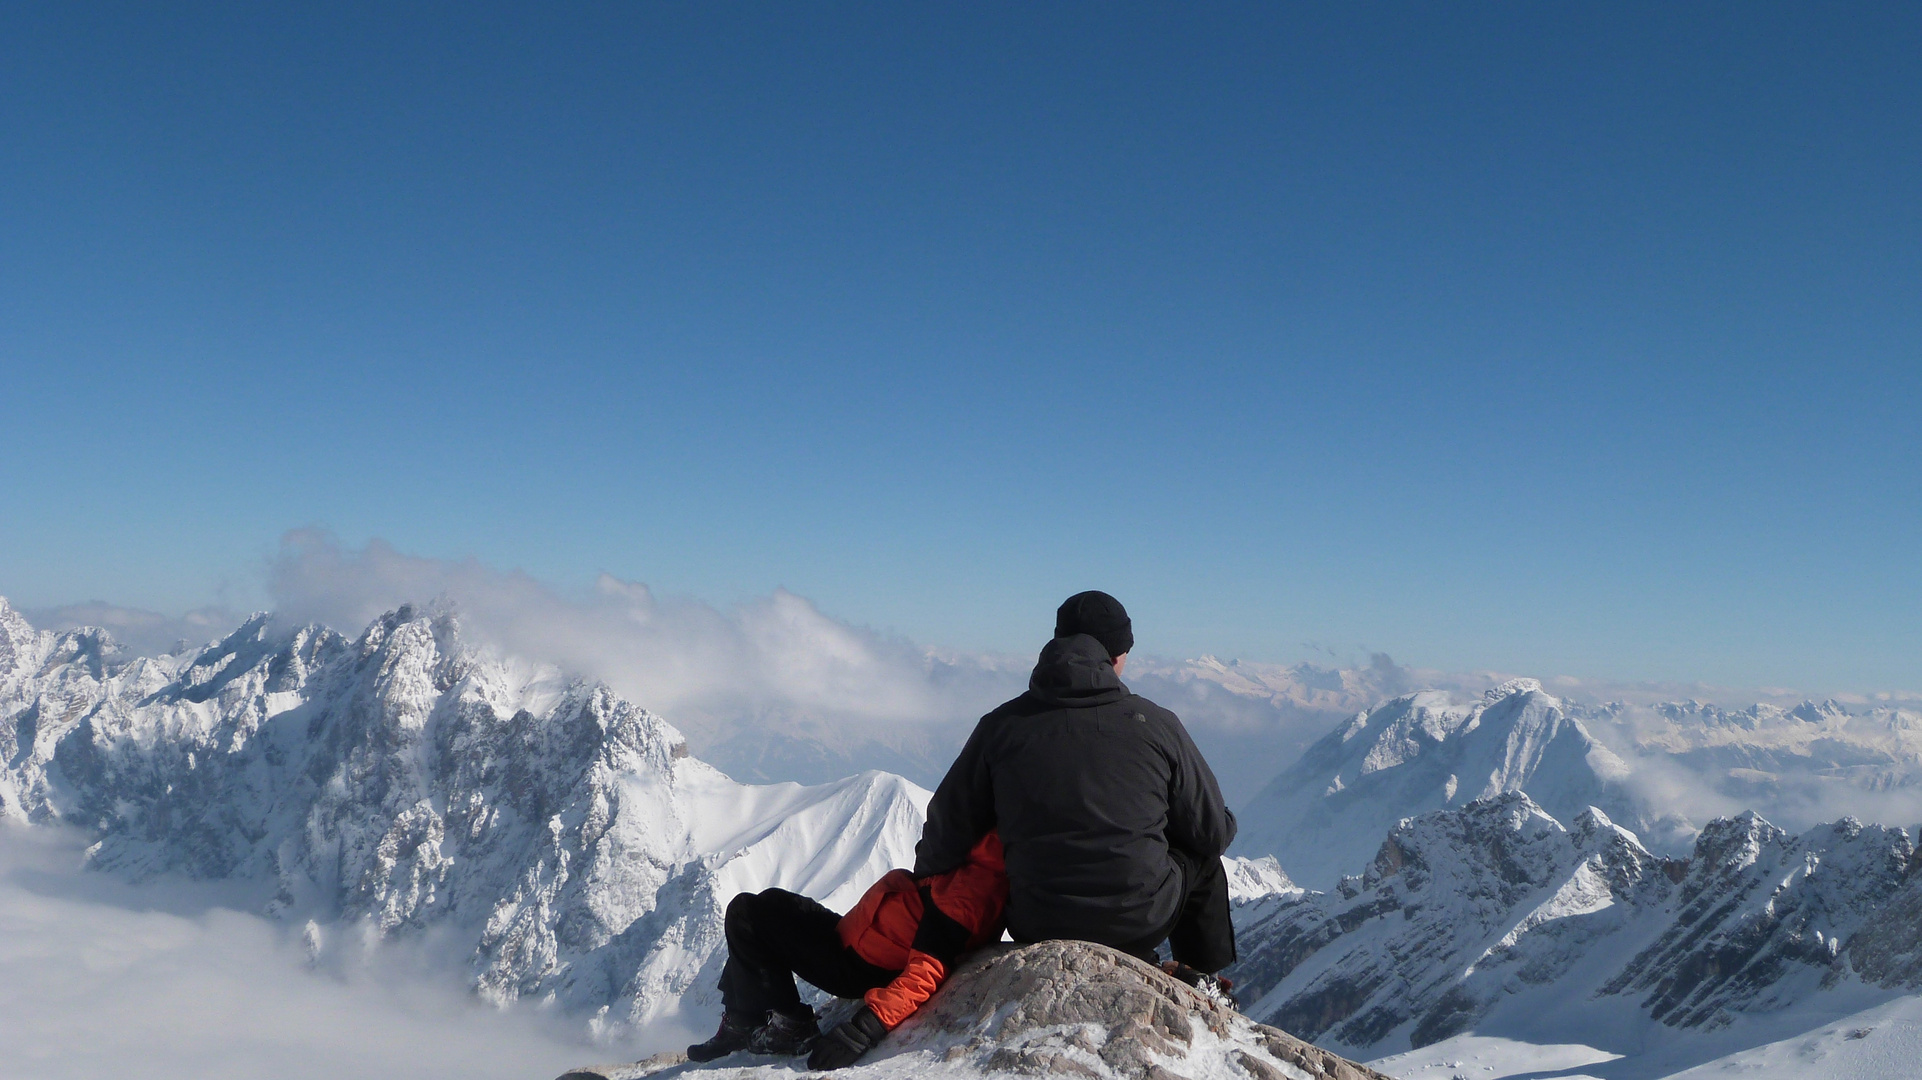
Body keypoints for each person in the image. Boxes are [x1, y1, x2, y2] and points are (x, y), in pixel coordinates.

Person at [912, 591, 1238, 995]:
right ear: (1118, 655)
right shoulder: (1156, 724)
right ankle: (1203, 981)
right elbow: (1211, 835)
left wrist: (923, 887)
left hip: (1036, 920)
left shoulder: (1001, 726)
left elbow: (948, 827)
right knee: (1201, 862)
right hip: (1138, 920)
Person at [688, 831, 1008, 1069]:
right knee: (769, 903)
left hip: (855, 966)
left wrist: (865, 1028)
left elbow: (927, 972)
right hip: (852, 935)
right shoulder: (969, 862)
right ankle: (742, 1019)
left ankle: (787, 1028)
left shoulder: (970, 890)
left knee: (747, 914)